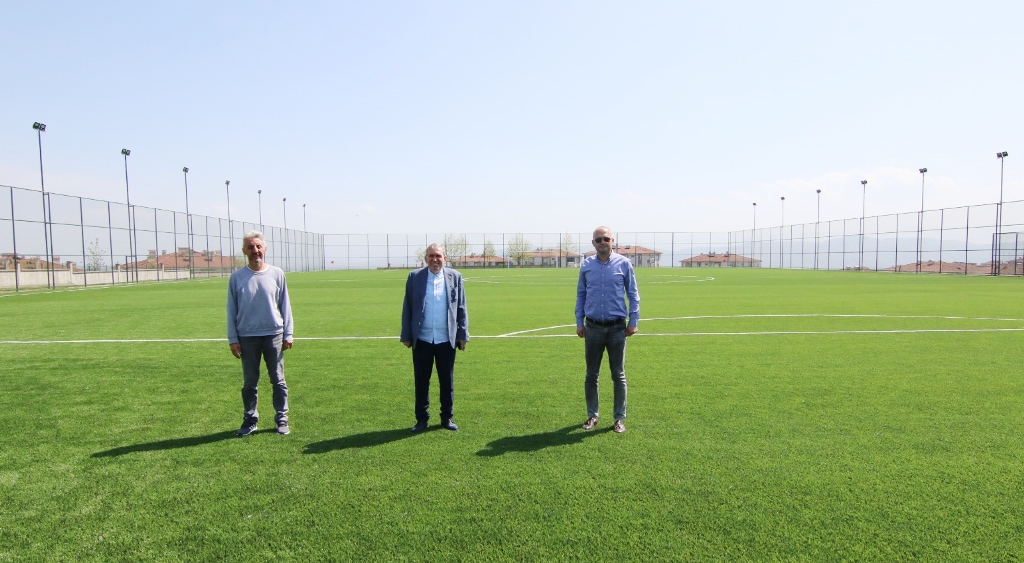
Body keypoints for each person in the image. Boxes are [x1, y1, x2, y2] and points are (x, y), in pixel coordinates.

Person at [227, 230, 294, 436]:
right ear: (244, 251)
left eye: (258, 246)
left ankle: (281, 419)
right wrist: (233, 339)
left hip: (274, 334)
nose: (255, 250)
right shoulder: (237, 277)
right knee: (250, 383)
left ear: (264, 248)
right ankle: (250, 420)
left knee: (278, 381)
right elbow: (231, 309)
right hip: (247, 337)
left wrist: (288, 333)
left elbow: (285, 305)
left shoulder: (277, 274)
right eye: (250, 247)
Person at [575, 226, 640, 434]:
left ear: (613, 241)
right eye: (598, 240)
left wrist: (633, 321)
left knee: (618, 374)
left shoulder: (624, 264)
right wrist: (579, 321)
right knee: (591, 374)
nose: (602, 242)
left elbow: (633, 294)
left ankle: (619, 418)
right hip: (593, 327)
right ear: (593, 243)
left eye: (606, 239)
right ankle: (592, 415)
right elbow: (581, 294)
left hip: (617, 329)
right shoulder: (586, 265)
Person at [401, 243, 469, 433]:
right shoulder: (415, 277)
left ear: (445, 258)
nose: (434, 259)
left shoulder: (455, 277)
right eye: (431, 256)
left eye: (438, 256)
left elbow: (461, 307)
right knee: (421, 382)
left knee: (447, 382)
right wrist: (406, 335)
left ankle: (447, 418)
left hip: (446, 339)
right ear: (426, 259)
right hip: (422, 339)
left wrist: (462, 334)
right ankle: (421, 420)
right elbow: (408, 307)